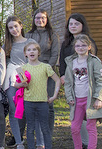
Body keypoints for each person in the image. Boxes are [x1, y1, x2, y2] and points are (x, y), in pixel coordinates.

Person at [58, 13, 99, 147]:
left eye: (77, 23)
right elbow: (63, 64)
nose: (73, 26)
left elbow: (97, 77)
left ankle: (88, 144)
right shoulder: (66, 46)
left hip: (89, 94)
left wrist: (99, 97)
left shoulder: (92, 54)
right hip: (75, 94)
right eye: (71, 24)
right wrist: (63, 75)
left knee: (89, 125)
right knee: (75, 126)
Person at [15, 40, 60, 149]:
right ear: (25, 53)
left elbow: (57, 80)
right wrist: (21, 84)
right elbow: (16, 85)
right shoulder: (23, 68)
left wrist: (54, 96)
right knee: (30, 128)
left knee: (45, 128)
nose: (32, 52)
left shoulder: (45, 67)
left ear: (38, 52)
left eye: (34, 49)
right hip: (28, 102)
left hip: (43, 102)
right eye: (29, 50)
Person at [24, 8, 59, 146]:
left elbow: (55, 54)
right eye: (37, 18)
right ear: (34, 20)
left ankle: (47, 136)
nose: (40, 20)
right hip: (31, 72)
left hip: (47, 71)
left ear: (47, 19)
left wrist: (46, 70)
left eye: (43, 18)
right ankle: (37, 140)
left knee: (48, 104)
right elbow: (26, 52)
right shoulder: (29, 34)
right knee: (33, 105)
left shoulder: (52, 34)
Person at [3, 16, 37, 149]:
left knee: (29, 109)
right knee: (14, 108)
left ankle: (35, 140)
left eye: (15, 26)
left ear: (21, 26)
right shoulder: (7, 45)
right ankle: (19, 142)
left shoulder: (30, 41)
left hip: (29, 75)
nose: (13, 29)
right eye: (10, 27)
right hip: (12, 76)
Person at [63, 34, 102, 149]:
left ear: (89, 47)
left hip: (90, 99)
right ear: (74, 47)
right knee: (75, 128)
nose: (81, 48)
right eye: (78, 46)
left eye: (84, 45)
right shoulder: (71, 62)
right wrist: (69, 97)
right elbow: (69, 82)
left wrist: (99, 98)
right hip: (76, 100)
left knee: (91, 127)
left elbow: (100, 81)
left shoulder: (94, 61)